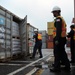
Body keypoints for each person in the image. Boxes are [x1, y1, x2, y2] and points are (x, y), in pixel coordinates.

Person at [50, 6, 70, 72]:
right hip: (62, 38)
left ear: (57, 12)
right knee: (62, 53)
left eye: (54, 12)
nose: (53, 14)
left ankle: (57, 68)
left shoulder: (58, 19)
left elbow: (58, 30)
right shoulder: (61, 19)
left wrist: (57, 39)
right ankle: (67, 66)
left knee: (57, 53)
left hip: (59, 38)